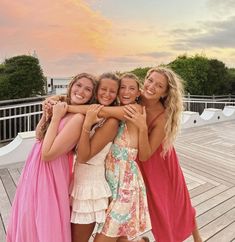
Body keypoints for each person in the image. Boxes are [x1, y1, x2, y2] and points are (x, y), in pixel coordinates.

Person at [6, 73, 97, 242]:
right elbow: (39, 136)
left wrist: (56, 118)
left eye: (88, 89)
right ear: (71, 86)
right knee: (29, 213)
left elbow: (48, 155)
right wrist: (46, 115)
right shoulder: (63, 108)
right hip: (34, 167)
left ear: (92, 95)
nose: (81, 91)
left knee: (45, 216)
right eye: (78, 85)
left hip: (51, 171)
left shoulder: (78, 118)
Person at [68, 73, 152, 242]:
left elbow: (99, 110)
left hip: (126, 185)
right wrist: (61, 98)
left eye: (132, 88)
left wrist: (65, 106)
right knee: (118, 234)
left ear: (138, 93)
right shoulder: (116, 112)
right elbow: (100, 110)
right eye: (122, 87)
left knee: (104, 237)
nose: (126, 92)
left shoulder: (133, 110)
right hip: (110, 182)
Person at [123, 67, 202, 242]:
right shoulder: (136, 95)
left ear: (165, 92)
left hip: (159, 161)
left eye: (159, 86)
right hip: (136, 158)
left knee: (175, 202)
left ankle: (198, 239)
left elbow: (146, 155)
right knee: (135, 203)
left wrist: (143, 127)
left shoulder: (162, 117)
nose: (151, 87)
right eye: (150, 80)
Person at [70, 72, 120, 242]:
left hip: (90, 188)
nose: (107, 94)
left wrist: (86, 124)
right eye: (103, 89)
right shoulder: (94, 111)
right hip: (76, 181)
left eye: (112, 91)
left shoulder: (111, 121)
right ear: (96, 90)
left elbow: (84, 156)